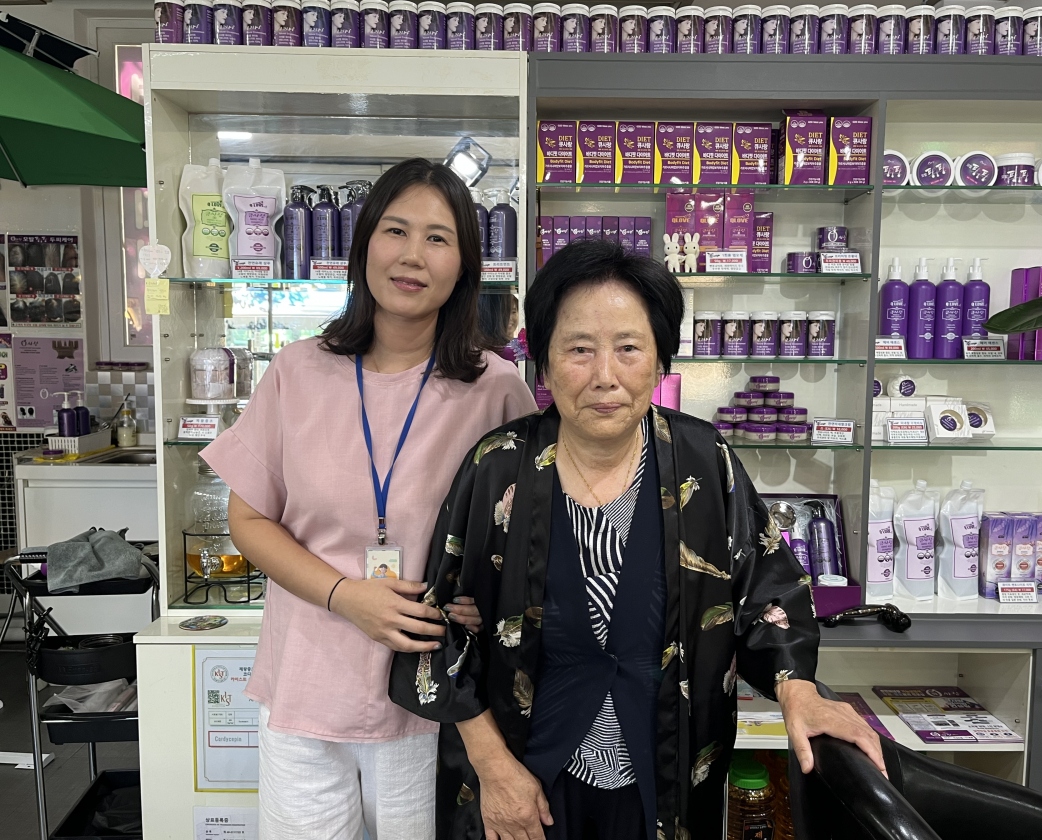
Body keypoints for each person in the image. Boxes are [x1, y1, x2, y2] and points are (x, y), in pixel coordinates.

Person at [390, 239, 885, 840]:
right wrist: (492, 767)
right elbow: (433, 624)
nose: (605, 376)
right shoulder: (498, 466)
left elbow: (768, 592)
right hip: (523, 781)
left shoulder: (704, 461)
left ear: (659, 362)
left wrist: (798, 690)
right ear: (543, 364)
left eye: (628, 348)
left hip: (667, 779)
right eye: (579, 349)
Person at [203, 158, 537, 840]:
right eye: (396, 230)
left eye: (438, 238)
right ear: (363, 247)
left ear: (465, 266)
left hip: (433, 696)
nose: (413, 256)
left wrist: (488, 593)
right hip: (306, 685)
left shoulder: (497, 389)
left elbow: (526, 538)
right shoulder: (298, 370)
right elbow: (249, 518)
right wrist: (343, 595)